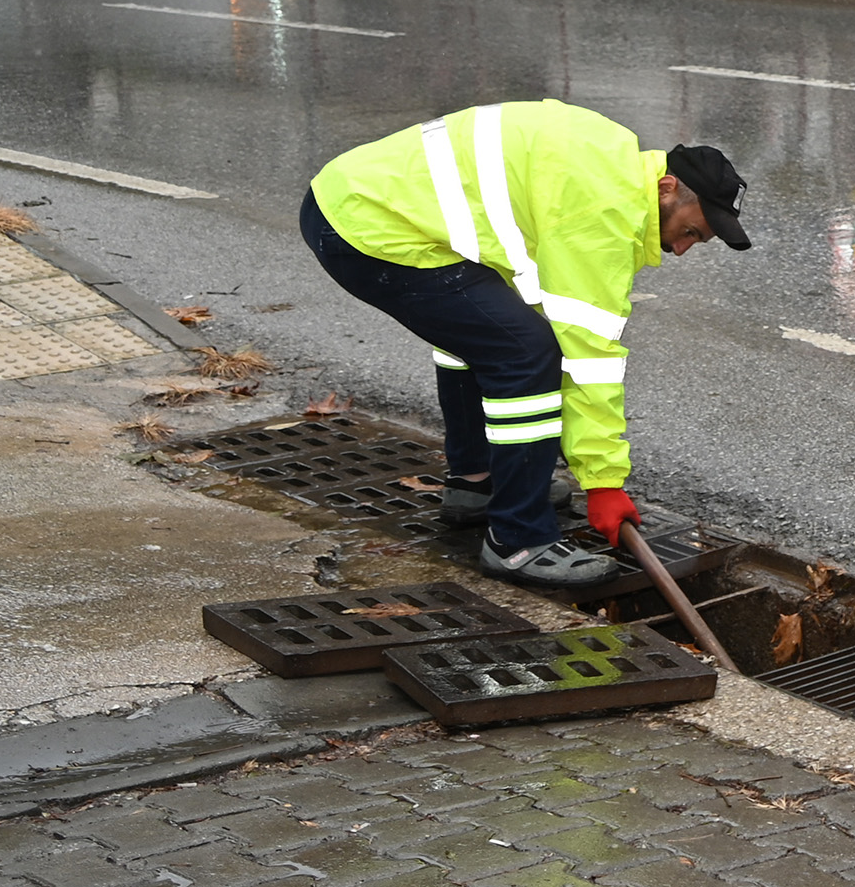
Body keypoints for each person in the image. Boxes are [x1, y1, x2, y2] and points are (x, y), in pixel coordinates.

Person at [302, 100, 752, 590]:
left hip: (355, 200)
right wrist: (603, 482)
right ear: (666, 188)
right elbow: (588, 361)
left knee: (489, 332)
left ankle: (475, 484)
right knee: (525, 353)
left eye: (697, 242)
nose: (681, 249)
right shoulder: (604, 213)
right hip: (369, 229)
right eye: (689, 231)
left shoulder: (608, 159)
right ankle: (518, 540)